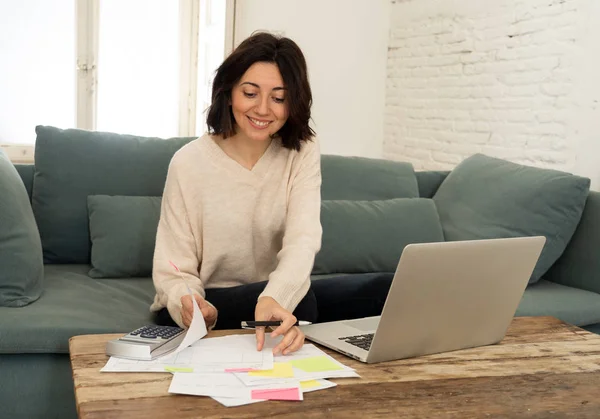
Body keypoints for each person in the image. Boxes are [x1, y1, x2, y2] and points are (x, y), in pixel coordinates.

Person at [150, 32, 321, 356]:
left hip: (269, 298)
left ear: (292, 103)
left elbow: (303, 239)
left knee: (385, 288)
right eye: (250, 93)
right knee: (307, 302)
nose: (263, 109)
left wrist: (275, 297)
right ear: (229, 93)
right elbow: (174, 266)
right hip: (210, 299)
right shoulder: (188, 162)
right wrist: (188, 300)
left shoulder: (302, 152)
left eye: (278, 98)